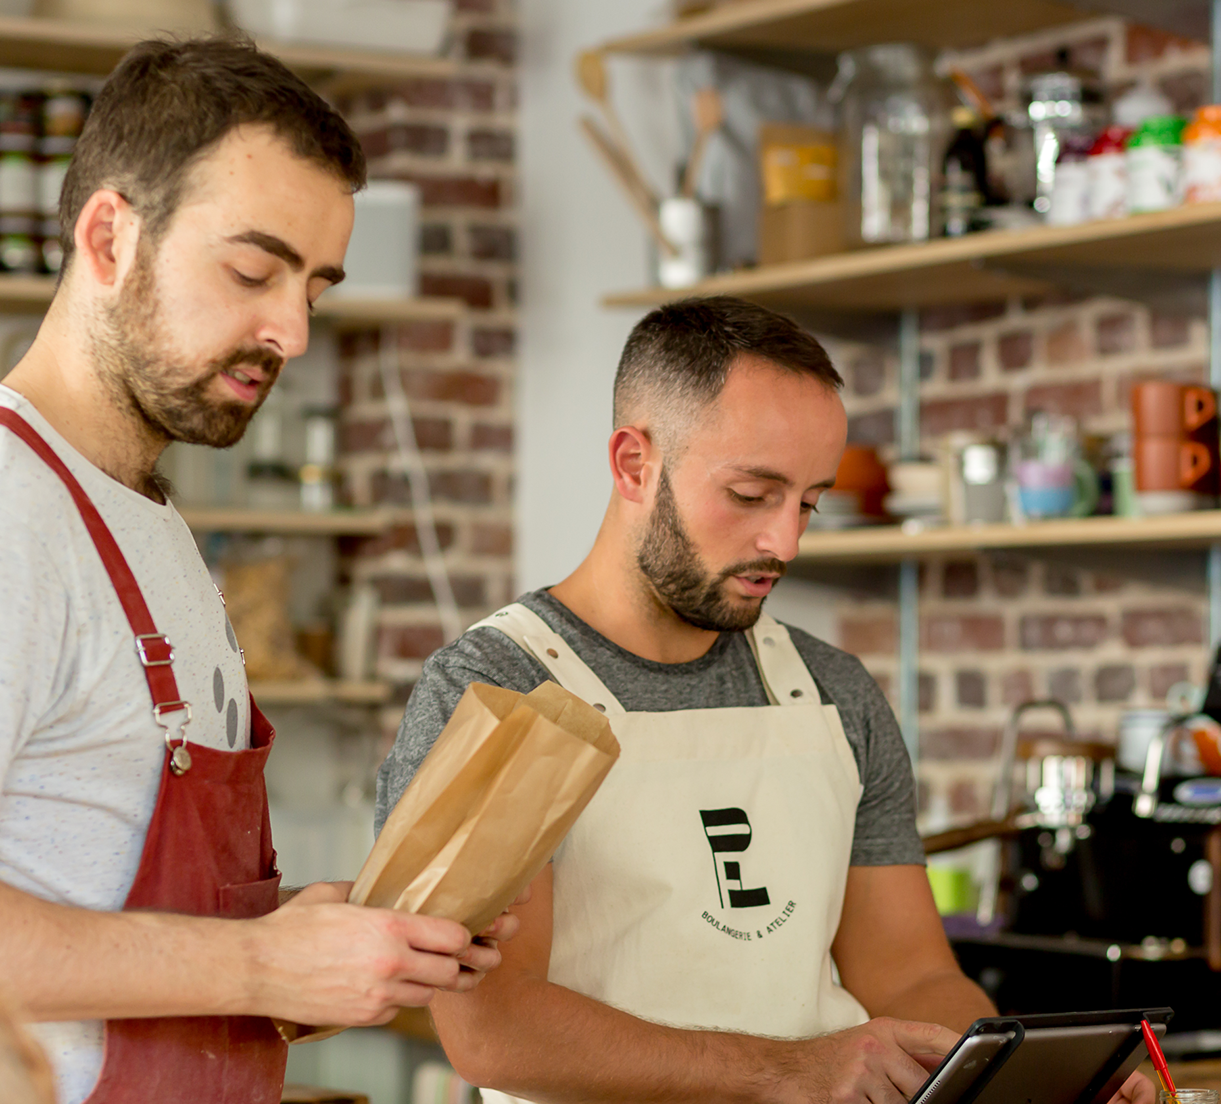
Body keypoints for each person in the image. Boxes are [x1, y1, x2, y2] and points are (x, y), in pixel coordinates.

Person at [379, 296, 1157, 1104]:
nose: (784, 543)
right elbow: (496, 1034)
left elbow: (912, 977)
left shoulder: (833, 694)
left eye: (809, 502)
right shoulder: (501, 689)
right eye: (752, 494)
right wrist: (793, 1070)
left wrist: (1035, 1083)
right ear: (634, 464)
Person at [0, 37, 515, 1104]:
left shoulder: (142, 518)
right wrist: (262, 964)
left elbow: (112, 914)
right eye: (251, 270)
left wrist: (317, 947)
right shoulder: (14, 511)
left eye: (315, 289)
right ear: (108, 237)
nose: (290, 331)